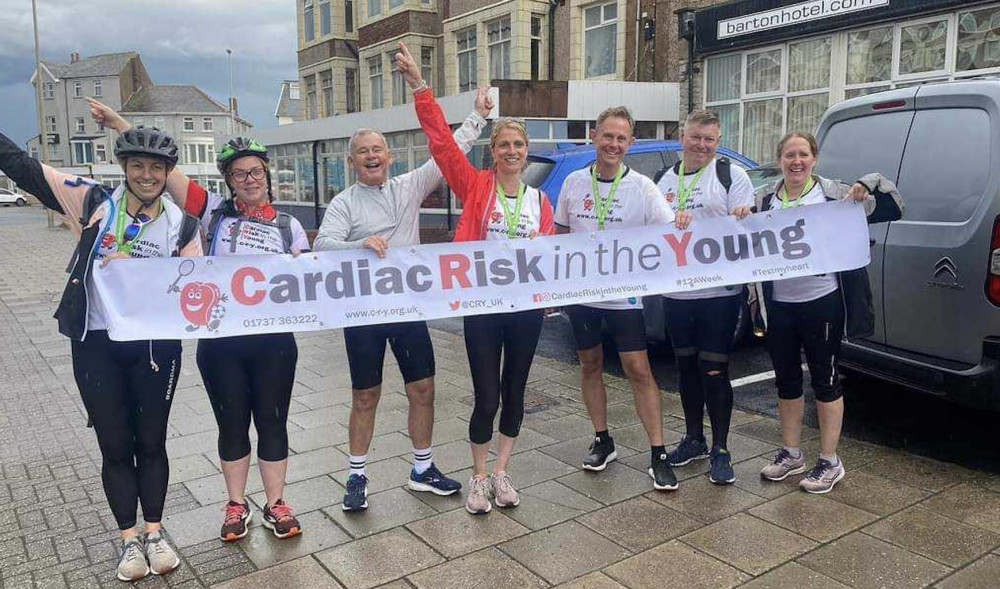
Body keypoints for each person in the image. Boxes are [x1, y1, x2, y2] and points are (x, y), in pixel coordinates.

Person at [89, 100, 311, 541]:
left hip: (274, 343)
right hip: (222, 343)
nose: (249, 180)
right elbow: (165, 172)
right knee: (231, 425)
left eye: (256, 172)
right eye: (239, 174)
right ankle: (235, 505)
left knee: (272, 421)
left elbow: (310, 284)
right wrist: (118, 123)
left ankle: (276, 502)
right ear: (229, 181)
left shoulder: (290, 227)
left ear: (267, 176)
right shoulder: (211, 213)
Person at [0, 123, 200, 581]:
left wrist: (143, 273)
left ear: (167, 172)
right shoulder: (93, 203)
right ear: (124, 167)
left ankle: (155, 532)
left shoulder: (182, 225)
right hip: (97, 343)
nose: (146, 175)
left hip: (154, 348)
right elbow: (24, 168)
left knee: (151, 443)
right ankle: (129, 540)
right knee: (114, 444)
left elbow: (191, 292)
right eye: (137, 165)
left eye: (155, 167)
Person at [312, 74, 492, 512]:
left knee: (423, 389)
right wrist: (358, 244)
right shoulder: (344, 203)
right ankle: (356, 474)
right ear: (352, 161)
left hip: (408, 308)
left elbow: (450, 151)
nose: (371, 156)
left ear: (388, 157)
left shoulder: (409, 186)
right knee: (365, 396)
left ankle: (422, 469)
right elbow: (320, 246)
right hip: (365, 314)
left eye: (377, 149)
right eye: (362, 152)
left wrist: (480, 117)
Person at [397, 42, 555, 514]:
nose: (511, 151)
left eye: (518, 145)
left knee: (514, 393)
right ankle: (479, 476)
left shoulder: (540, 203)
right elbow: (443, 147)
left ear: (526, 154)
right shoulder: (476, 186)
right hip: (483, 308)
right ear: (493, 151)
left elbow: (552, 258)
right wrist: (420, 87)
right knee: (486, 394)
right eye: (504, 144)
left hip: (524, 311)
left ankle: (503, 472)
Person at [749, 132, 902, 493]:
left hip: (822, 300)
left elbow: (893, 205)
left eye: (803, 154)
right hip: (780, 304)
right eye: (789, 155)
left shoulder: (836, 193)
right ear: (780, 159)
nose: (796, 161)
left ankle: (830, 461)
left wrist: (869, 183)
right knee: (785, 380)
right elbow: (741, 235)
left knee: (825, 379)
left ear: (814, 158)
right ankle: (790, 453)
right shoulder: (764, 199)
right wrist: (741, 214)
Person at [554, 105, 678, 492]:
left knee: (638, 368)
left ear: (631, 143)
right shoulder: (574, 182)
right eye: (607, 136)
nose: (613, 144)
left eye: (621, 138)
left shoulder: (642, 187)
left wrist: (685, 223)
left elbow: (671, 233)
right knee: (589, 363)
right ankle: (602, 439)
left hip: (625, 296)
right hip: (583, 294)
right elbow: (559, 237)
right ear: (594, 136)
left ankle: (658, 452)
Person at [655, 109, 755, 485]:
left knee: (714, 370)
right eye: (696, 137)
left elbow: (746, 226)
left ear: (718, 140)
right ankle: (694, 438)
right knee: (685, 369)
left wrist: (745, 213)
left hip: (719, 293)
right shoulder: (663, 179)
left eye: (710, 139)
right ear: (683, 136)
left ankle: (722, 448)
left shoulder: (732, 175)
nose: (702, 145)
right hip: (677, 294)